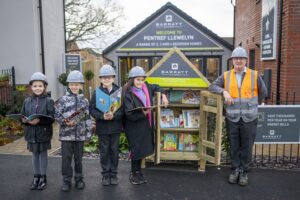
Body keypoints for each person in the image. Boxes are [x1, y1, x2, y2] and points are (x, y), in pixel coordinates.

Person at [209, 46, 267, 186]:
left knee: (246, 146)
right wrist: (224, 92)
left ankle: (244, 172)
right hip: (232, 118)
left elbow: (263, 92)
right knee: (234, 146)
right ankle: (235, 170)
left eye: (241, 58)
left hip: (249, 118)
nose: (239, 61)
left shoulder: (254, 75)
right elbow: (212, 86)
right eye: (236, 58)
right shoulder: (226, 75)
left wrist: (253, 105)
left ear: (246, 60)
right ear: (232, 60)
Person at [122, 66, 169, 185]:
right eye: (138, 79)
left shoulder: (147, 87)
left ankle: (138, 172)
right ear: (132, 80)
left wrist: (163, 95)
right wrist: (143, 113)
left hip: (145, 125)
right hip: (133, 126)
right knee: (136, 150)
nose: (140, 82)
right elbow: (129, 115)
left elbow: (158, 87)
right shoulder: (127, 94)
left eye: (142, 79)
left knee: (142, 149)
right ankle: (133, 173)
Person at [55, 70, 93, 192]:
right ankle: (66, 181)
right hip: (66, 136)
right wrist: (65, 122)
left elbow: (87, 117)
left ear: (81, 85)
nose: (74, 87)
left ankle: (79, 179)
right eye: (72, 84)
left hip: (80, 136)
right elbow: (56, 114)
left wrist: (88, 134)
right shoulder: (62, 100)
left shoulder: (85, 101)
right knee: (66, 160)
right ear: (68, 85)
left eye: (77, 84)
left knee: (78, 159)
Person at [89, 65, 123, 186]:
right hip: (102, 127)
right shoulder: (97, 92)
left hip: (115, 127)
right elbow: (91, 109)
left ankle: (113, 174)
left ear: (113, 78)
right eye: (104, 77)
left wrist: (115, 116)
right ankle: (105, 174)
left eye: (109, 77)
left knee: (114, 151)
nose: (107, 79)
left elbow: (122, 110)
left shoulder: (119, 92)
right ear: (100, 79)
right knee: (104, 152)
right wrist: (101, 116)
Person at [21, 72, 55, 190]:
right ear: (31, 87)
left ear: (44, 87)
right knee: (34, 155)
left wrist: (39, 121)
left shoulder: (49, 101)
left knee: (43, 154)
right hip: (31, 133)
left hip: (43, 133)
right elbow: (23, 115)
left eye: (40, 86)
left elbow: (51, 118)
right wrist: (24, 120)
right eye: (35, 86)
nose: (37, 88)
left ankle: (43, 177)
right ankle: (36, 177)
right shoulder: (27, 101)